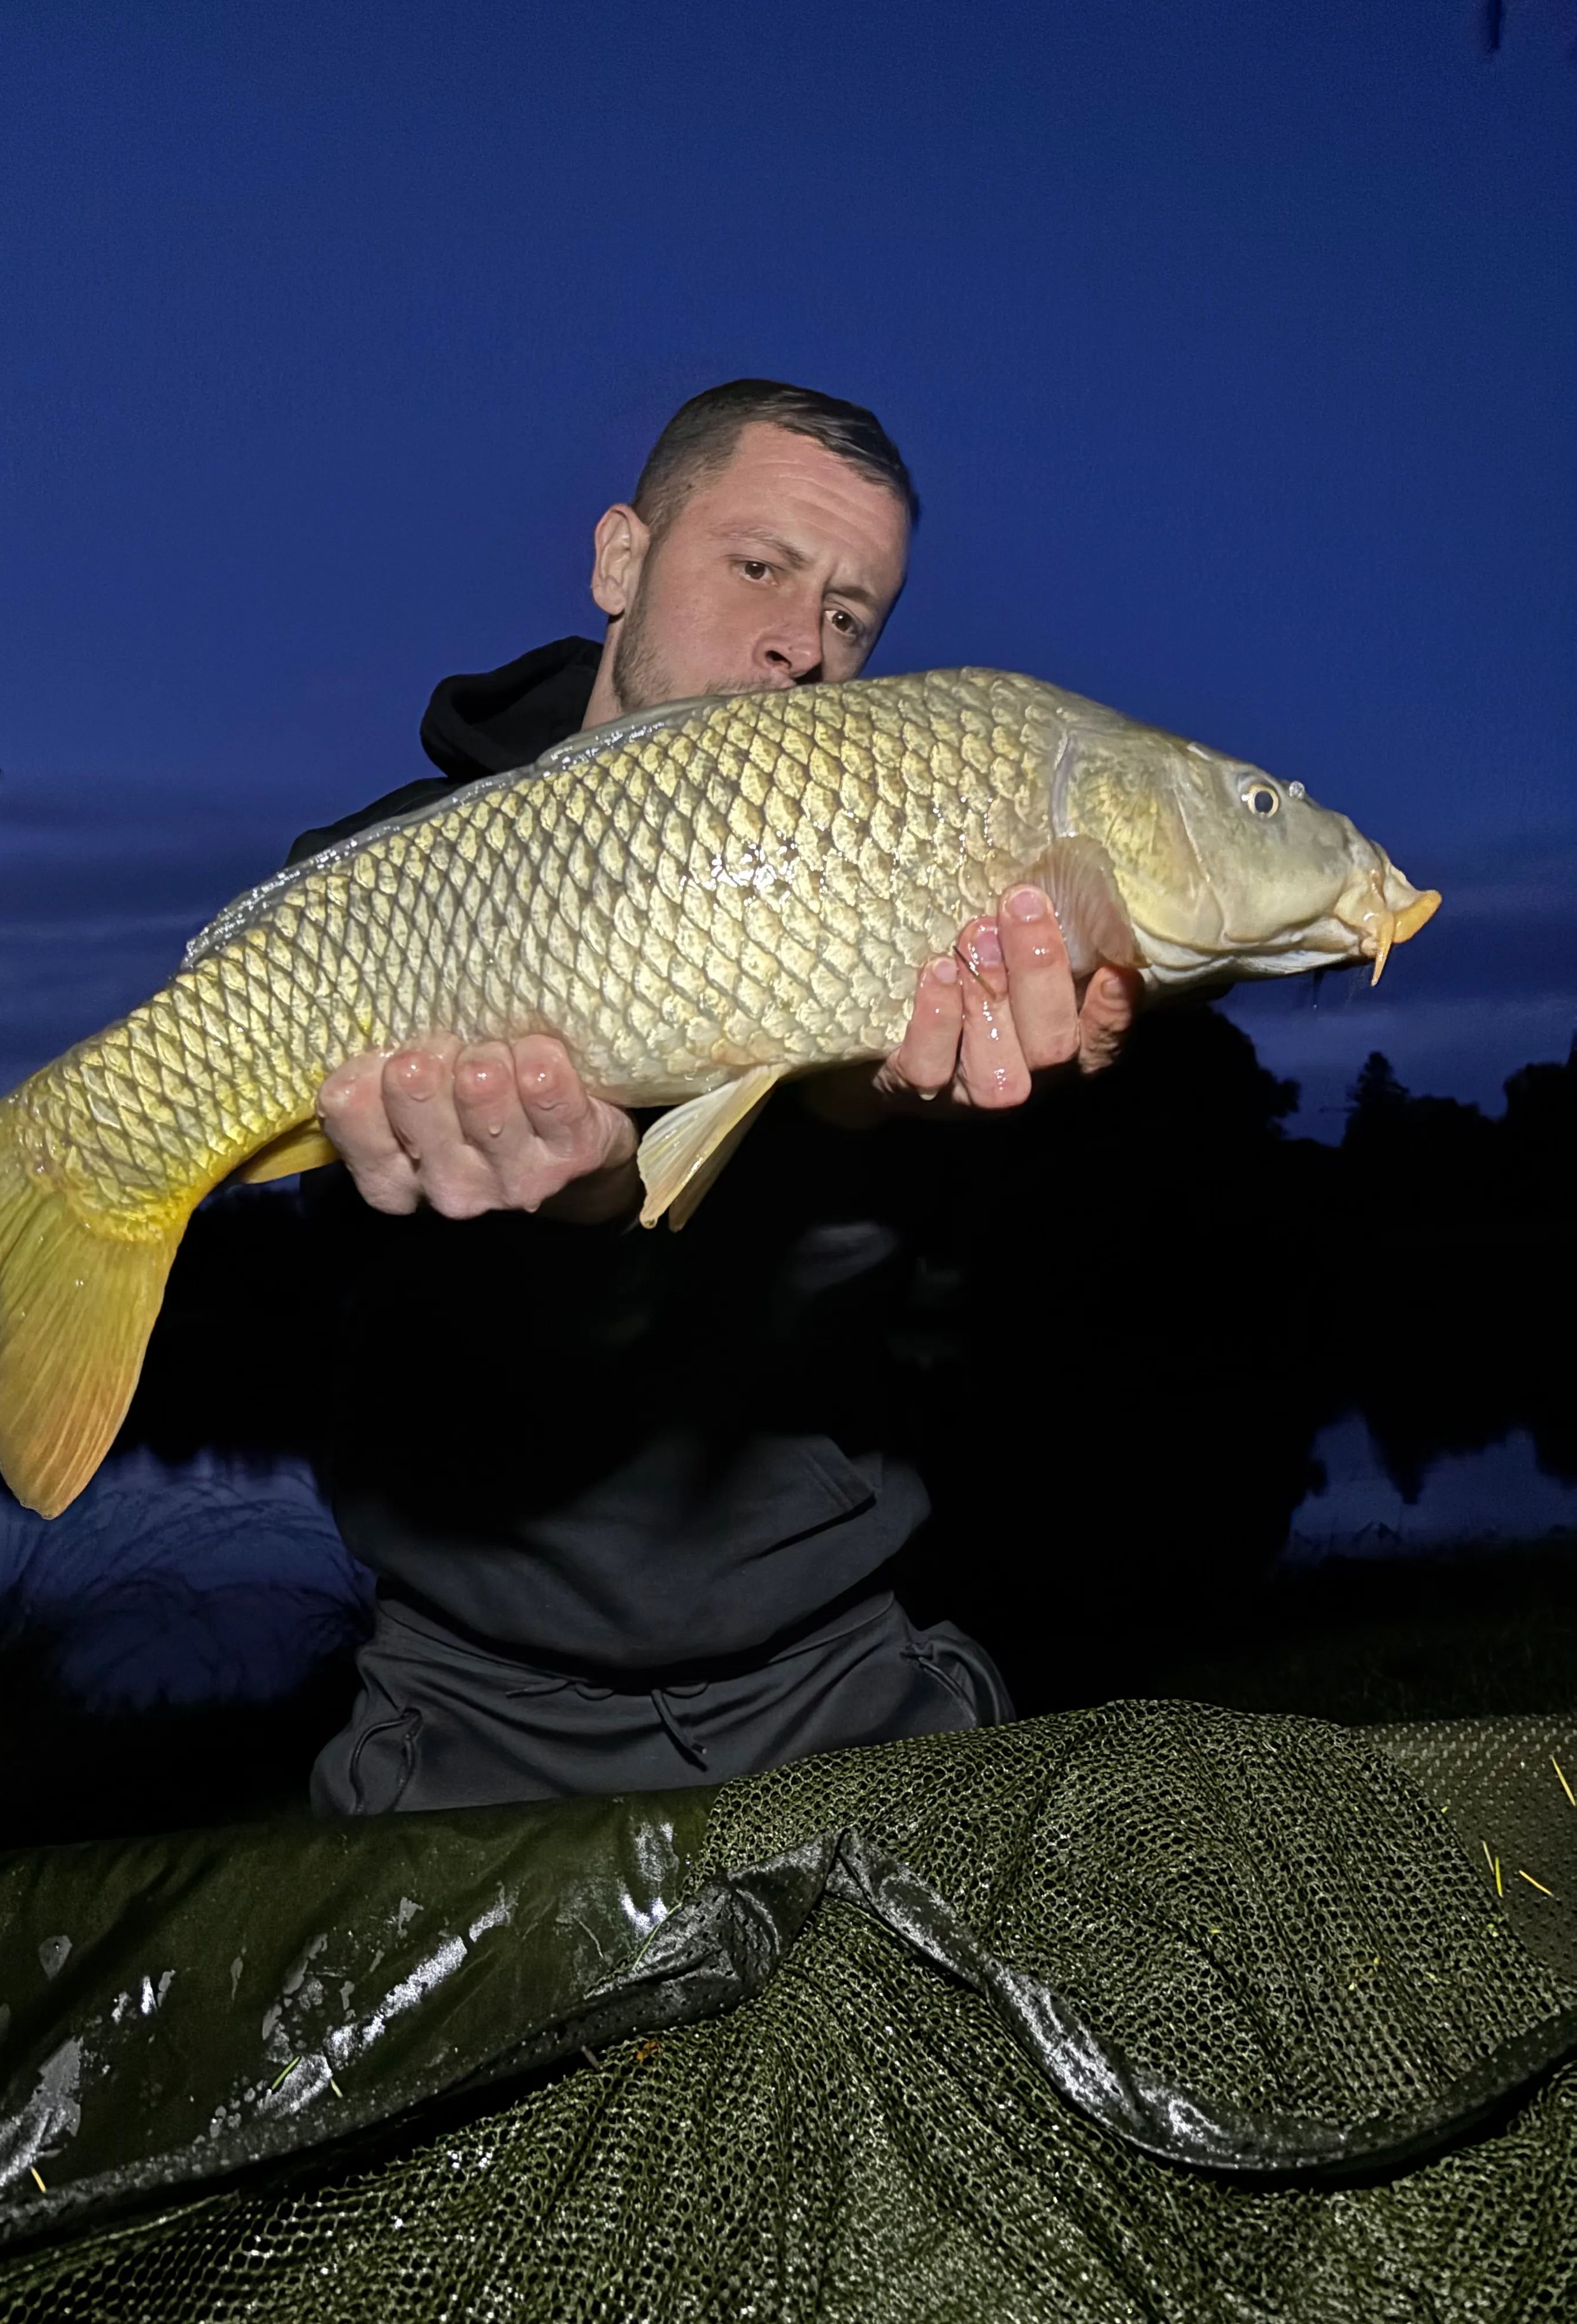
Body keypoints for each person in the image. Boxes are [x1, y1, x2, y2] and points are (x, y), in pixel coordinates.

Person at [296, 381, 1138, 1815]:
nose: (801, 647)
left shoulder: (927, 900)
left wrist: (902, 1132)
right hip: (471, 1700)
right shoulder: (385, 884)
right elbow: (346, 1305)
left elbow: (996, 1342)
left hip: (844, 1676)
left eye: (856, 615)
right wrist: (564, 1225)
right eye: (759, 567)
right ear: (621, 560)